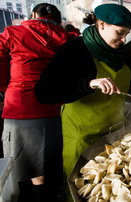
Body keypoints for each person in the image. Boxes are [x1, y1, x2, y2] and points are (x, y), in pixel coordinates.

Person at [35, 4, 131, 178]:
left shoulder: (121, 54)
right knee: (80, 187)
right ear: (102, 24)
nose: (124, 39)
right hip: (82, 139)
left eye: (127, 34)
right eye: (120, 32)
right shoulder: (74, 50)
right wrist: (88, 84)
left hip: (115, 136)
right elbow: (44, 92)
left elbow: (121, 90)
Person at [0, 3, 69, 201]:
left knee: (25, 164)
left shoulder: (13, 33)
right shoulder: (66, 38)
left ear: (32, 14)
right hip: (56, 108)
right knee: (51, 159)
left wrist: (6, 86)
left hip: (21, 106)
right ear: (57, 19)